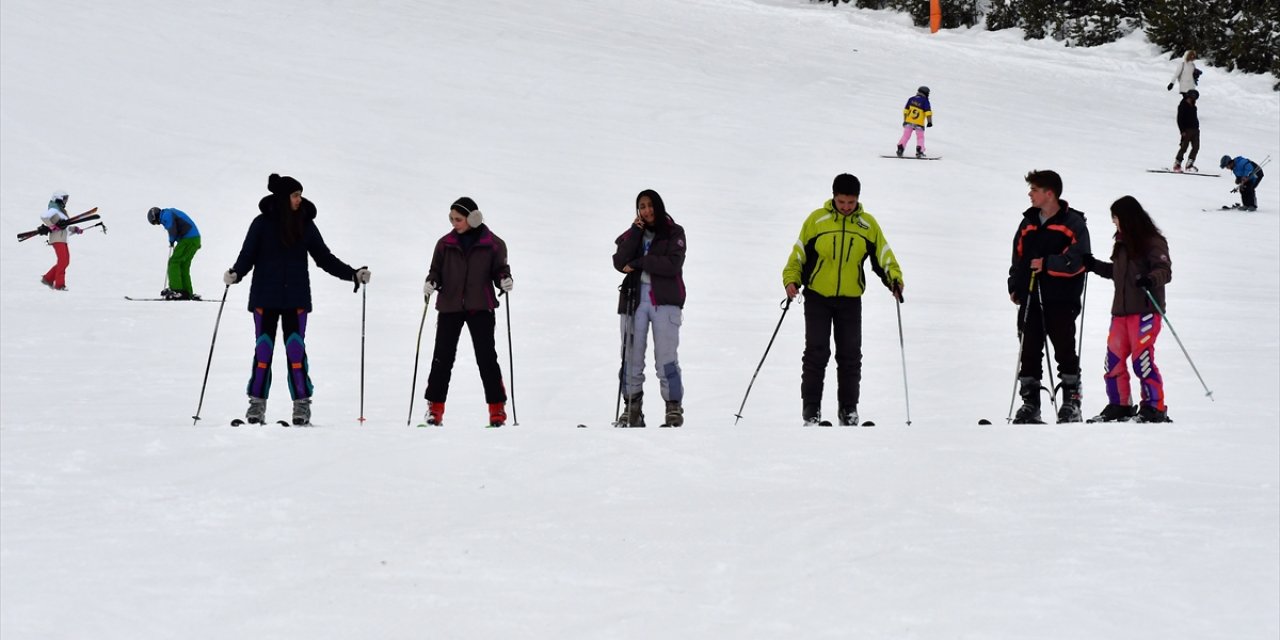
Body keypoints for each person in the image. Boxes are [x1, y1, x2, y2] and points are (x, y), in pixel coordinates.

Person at [224, 174, 371, 426]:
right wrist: (235, 273)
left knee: (295, 349)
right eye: (295, 195)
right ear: (283, 198)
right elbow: (247, 255)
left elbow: (324, 257)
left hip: (296, 298)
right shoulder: (261, 224)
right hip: (264, 297)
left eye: (299, 194)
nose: (299, 199)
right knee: (264, 349)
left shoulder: (305, 223)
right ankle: (256, 404)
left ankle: (301, 405)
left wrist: (353, 274)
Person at [782, 174, 904, 426]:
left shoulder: (867, 225)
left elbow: (883, 253)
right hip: (817, 297)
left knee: (850, 355)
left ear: (857, 200)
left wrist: (894, 277)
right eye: (841, 202)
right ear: (833, 197)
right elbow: (798, 254)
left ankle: (848, 409)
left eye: (850, 202)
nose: (846, 207)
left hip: (850, 300)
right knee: (816, 353)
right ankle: (811, 409)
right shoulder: (817, 220)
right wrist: (791, 280)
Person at [421, 197, 513, 428]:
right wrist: (431, 282)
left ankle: (497, 410)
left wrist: (505, 280)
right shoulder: (445, 243)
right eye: (451, 219)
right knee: (442, 359)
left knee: (486, 358)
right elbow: (436, 270)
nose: (454, 223)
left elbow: (499, 269)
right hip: (450, 307)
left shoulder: (493, 244)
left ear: (474, 218)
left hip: (480, 306)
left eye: (458, 219)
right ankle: (435, 409)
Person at [1007, 170, 1091, 424]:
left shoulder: (1073, 223)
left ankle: (1071, 402)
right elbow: (1018, 257)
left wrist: (1047, 264)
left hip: (1061, 298)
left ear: (1049, 193)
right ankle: (1030, 403)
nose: (1030, 194)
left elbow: (1079, 260)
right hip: (1031, 296)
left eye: (1034, 189)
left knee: (1064, 349)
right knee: (1029, 349)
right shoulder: (1029, 221)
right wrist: (1015, 285)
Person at [1081, 196, 1173, 423]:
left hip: (1145, 311)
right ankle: (1119, 404)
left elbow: (1164, 269)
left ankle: (1154, 406)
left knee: (1141, 360)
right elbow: (1119, 273)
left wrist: (1150, 279)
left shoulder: (1153, 241)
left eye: (1116, 217)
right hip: (1120, 313)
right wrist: (1094, 266)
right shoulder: (1122, 243)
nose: (1114, 222)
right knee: (1113, 360)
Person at [612, 190, 687, 428]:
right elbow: (619, 261)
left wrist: (640, 262)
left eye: (650, 205)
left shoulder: (675, 232)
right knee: (631, 356)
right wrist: (635, 231)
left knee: (666, 358)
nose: (647, 210)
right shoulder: (634, 233)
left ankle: (673, 407)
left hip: (664, 301)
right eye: (642, 206)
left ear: (659, 206)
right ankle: (632, 409)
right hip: (634, 299)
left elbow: (672, 264)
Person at [147, 206, 202, 300]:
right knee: (183, 265)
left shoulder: (166, 214)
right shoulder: (169, 212)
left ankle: (177, 290)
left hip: (188, 239)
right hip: (194, 239)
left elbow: (172, 228)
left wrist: (171, 240)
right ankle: (186, 292)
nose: (157, 224)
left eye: (155, 222)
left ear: (155, 216)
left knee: (173, 262)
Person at [39, 190, 84, 291]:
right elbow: (44, 216)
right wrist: (53, 226)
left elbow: (64, 227)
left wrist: (75, 229)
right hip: (57, 239)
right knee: (63, 261)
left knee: (65, 261)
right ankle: (59, 285)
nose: (65, 201)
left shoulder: (61, 211)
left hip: (62, 239)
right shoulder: (54, 209)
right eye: (64, 199)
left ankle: (48, 278)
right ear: (58, 198)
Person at [895, 86, 933, 158]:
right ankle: (920, 151)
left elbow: (906, 111)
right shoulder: (925, 101)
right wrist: (929, 122)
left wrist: (905, 120)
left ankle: (900, 148)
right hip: (919, 123)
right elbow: (928, 112)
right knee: (920, 137)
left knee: (906, 136)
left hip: (908, 122)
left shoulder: (911, 99)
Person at [1173, 89, 1199, 172]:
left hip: (1195, 130)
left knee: (1196, 147)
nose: (1193, 100)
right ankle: (1177, 163)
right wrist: (1182, 130)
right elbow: (1179, 119)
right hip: (1186, 130)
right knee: (1184, 147)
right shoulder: (1182, 106)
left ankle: (1189, 164)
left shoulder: (1194, 107)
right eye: (1193, 98)